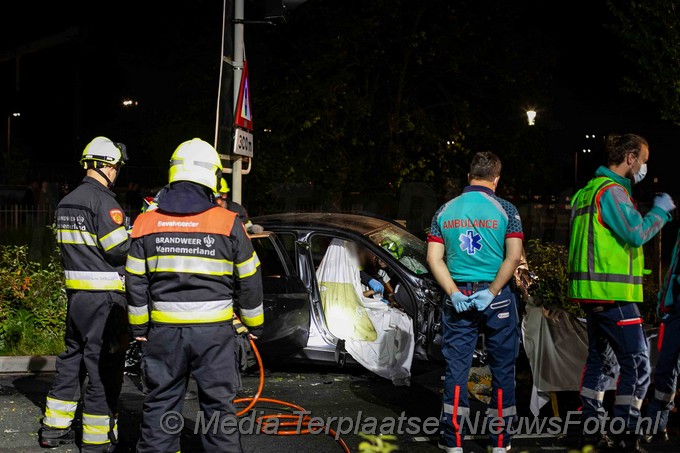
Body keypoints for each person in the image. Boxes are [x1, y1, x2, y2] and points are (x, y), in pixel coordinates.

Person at [126, 138, 264, 453]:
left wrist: (139, 329)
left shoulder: (146, 222)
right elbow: (250, 277)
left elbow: (134, 281)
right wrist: (253, 326)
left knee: (160, 409)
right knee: (219, 414)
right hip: (215, 336)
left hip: (163, 334)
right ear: (212, 177)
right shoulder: (228, 222)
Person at [568, 133, 676, 452]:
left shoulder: (586, 192)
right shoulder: (612, 193)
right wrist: (661, 212)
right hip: (613, 296)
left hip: (591, 295)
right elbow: (635, 233)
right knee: (638, 364)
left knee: (600, 363)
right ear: (630, 157)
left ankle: (591, 428)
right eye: (643, 159)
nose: (644, 165)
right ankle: (626, 433)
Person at [427, 151, 524, 453]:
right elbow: (514, 256)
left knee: (457, 367)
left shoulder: (445, 210)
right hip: (496, 299)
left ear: (469, 177)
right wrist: (494, 290)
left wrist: (454, 292)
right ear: (496, 178)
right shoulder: (506, 209)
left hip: (459, 296)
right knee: (502, 368)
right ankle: (500, 441)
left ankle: (453, 440)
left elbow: (433, 258)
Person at [38, 137, 130, 452]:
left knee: (71, 359)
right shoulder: (104, 202)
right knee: (102, 367)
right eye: (116, 167)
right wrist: (136, 236)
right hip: (105, 300)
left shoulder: (67, 202)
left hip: (76, 298)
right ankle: (96, 440)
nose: (116, 173)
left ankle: (54, 428)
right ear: (105, 165)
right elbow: (119, 250)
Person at [643, 227, 680, 444]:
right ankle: (657, 425)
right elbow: (672, 271)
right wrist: (662, 304)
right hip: (675, 313)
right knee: (666, 369)